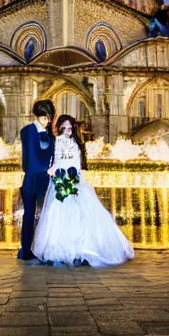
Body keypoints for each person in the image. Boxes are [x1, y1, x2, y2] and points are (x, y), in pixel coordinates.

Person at [32, 114, 134, 268]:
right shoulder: (58, 141)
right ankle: (63, 250)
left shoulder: (76, 142)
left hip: (75, 179)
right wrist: (55, 173)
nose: (67, 130)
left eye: (69, 127)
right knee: (60, 214)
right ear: (59, 128)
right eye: (64, 127)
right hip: (62, 178)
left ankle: (83, 250)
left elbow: (77, 162)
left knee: (82, 214)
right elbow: (57, 160)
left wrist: (76, 177)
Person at [17, 99, 56, 261]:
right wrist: (47, 170)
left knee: (46, 215)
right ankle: (27, 249)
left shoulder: (49, 134)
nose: (48, 121)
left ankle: (43, 248)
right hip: (32, 178)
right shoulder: (28, 131)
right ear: (38, 115)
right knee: (29, 214)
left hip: (46, 179)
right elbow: (31, 158)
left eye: (50, 118)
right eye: (45, 117)